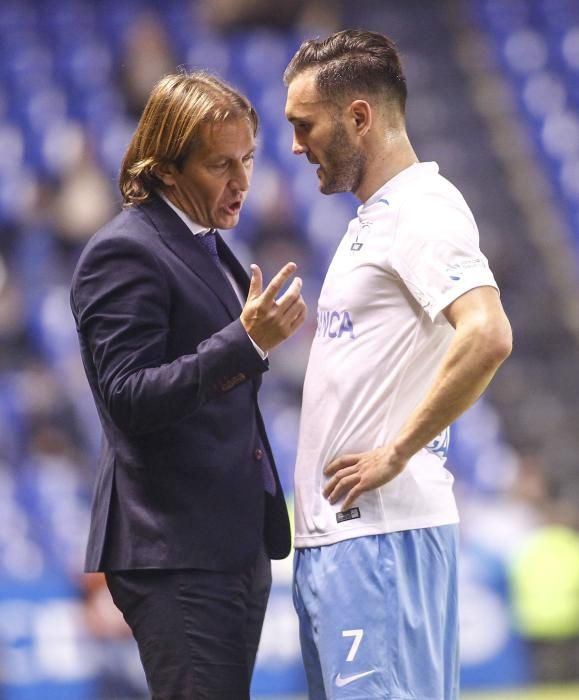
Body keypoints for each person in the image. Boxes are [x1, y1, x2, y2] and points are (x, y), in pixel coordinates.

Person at [284, 29, 512, 700]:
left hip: (379, 540)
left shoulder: (421, 210)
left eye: (305, 125)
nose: (296, 146)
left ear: (358, 116)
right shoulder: (373, 219)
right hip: (345, 543)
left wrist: (395, 450)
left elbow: (487, 332)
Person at [70, 70, 306, 700]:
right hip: (175, 549)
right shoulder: (125, 250)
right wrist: (246, 342)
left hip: (226, 543)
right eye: (220, 164)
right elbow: (129, 396)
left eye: (248, 159)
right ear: (167, 169)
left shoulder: (204, 245)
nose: (243, 181)